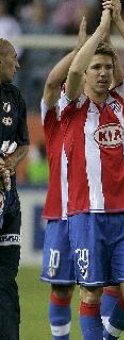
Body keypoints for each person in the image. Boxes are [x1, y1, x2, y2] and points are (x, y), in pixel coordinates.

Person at [60, 1, 124, 339]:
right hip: (87, 214)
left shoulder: (122, 101)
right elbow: (70, 74)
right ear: (85, 72)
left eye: (107, 68)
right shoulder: (71, 107)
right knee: (91, 293)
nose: (102, 73)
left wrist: (119, 23)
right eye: (95, 67)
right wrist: (101, 29)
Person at [39, 17, 124, 340]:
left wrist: (105, 35)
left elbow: (112, 80)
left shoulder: (96, 111)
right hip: (63, 212)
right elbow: (51, 83)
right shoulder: (54, 114)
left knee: (108, 284)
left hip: (95, 210)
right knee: (62, 289)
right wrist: (78, 49)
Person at [0, 38, 30, 340]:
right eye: (13, 58)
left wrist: (10, 163)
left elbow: (23, 144)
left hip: (9, 204)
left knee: (6, 279)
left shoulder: (15, 97)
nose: (18, 65)